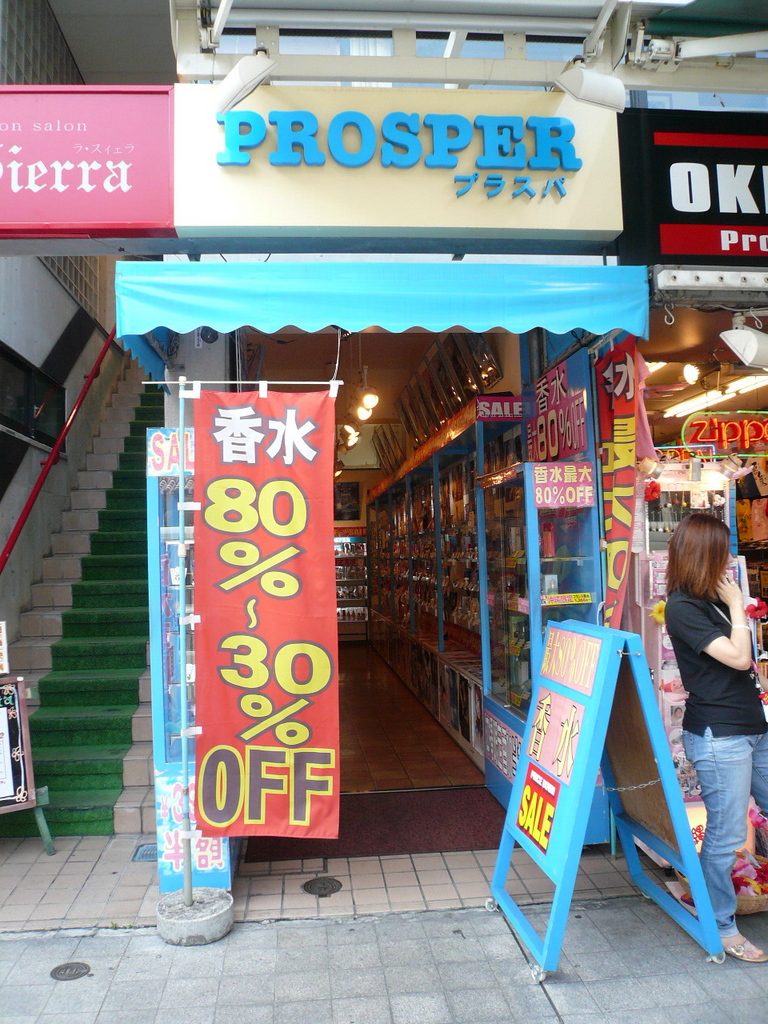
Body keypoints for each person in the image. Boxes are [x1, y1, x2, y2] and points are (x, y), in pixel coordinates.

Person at [665, 512, 768, 962]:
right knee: (726, 836)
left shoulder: (713, 600)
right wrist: (738, 605)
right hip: (719, 734)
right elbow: (739, 657)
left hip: (753, 726)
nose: (728, 559)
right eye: (723, 551)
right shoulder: (682, 607)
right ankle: (721, 925)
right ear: (703, 555)